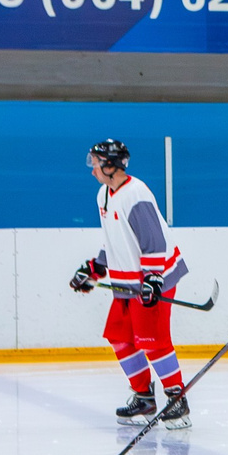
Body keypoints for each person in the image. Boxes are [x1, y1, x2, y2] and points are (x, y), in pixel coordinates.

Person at [71, 138, 189, 426]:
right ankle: (143, 399)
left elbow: (154, 240)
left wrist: (152, 278)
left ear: (111, 165)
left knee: (152, 340)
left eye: (96, 163)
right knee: (120, 337)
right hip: (127, 280)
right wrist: (95, 268)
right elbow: (115, 238)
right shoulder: (104, 194)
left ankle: (177, 401)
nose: (92, 169)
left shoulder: (137, 193)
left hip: (154, 276)